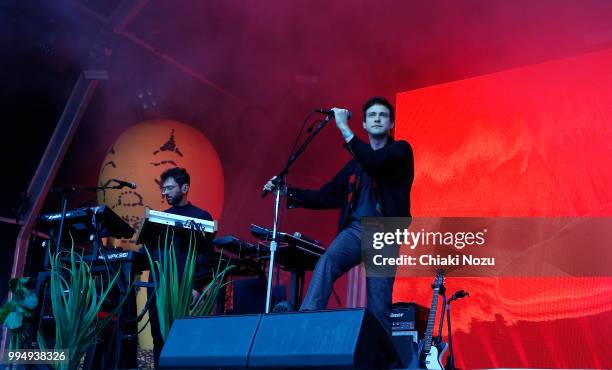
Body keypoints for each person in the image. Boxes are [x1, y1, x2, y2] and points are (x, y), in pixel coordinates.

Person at [263, 96, 414, 332]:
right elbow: (327, 196)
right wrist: (286, 191)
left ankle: (383, 361)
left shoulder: (400, 151)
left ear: (391, 124)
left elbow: (374, 162)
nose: (377, 118)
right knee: (328, 262)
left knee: (378, 304)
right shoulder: (354, 165)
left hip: (385, 234)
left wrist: (344, 127)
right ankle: (305, 322)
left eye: (382, 115)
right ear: (364, 124)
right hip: (355, 231)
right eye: (372, 115)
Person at [148, 167, 214, 366]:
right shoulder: (160, 217)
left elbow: (205, 256)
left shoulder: (201, 215)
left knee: (183, 340)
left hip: (185, 290)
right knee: (158, 339)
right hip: (158, 290)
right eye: (163, 189)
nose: (164, 192)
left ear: (185, 188)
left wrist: (195, 286)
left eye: (169, 188)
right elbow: (150, 253)